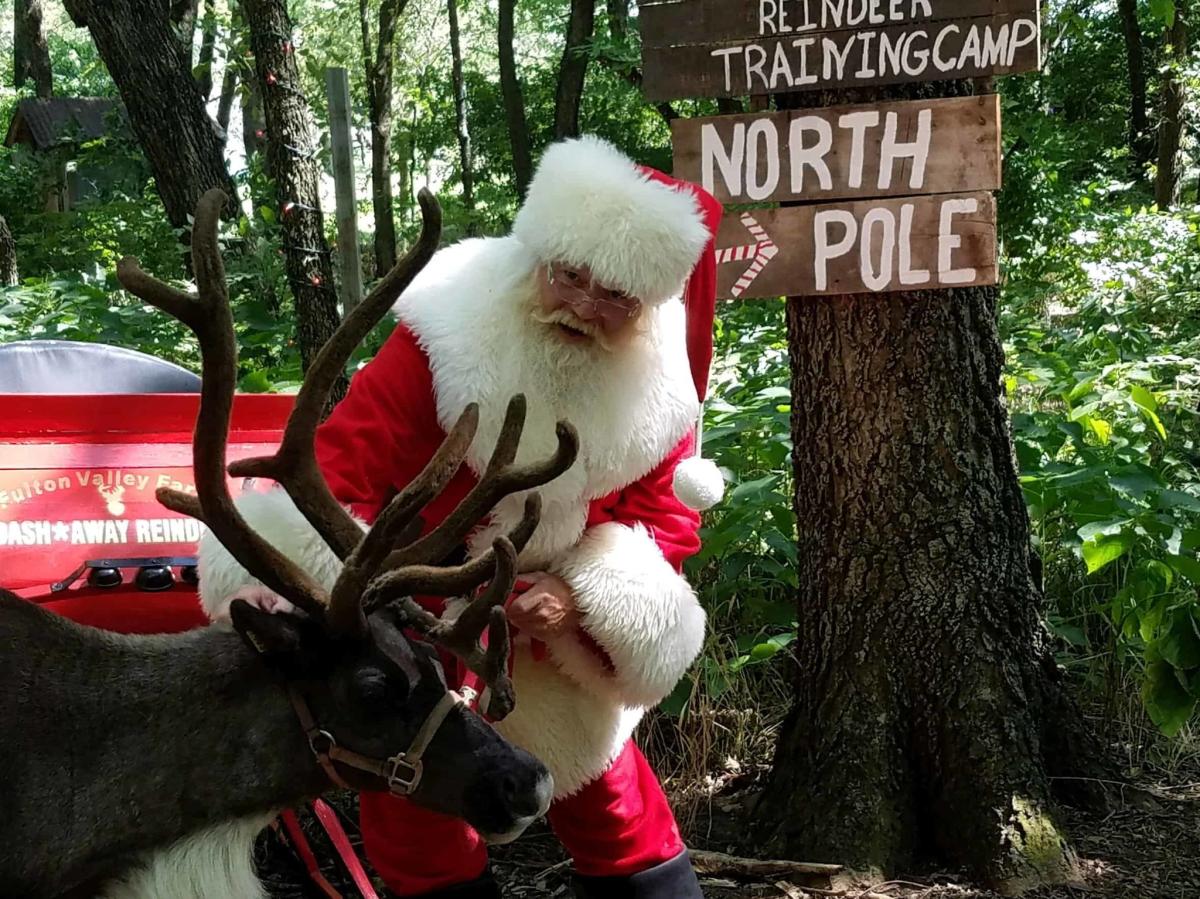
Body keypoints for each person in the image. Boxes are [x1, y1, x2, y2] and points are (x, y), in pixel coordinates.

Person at [200, 134, 726, 898]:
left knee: (615, 804)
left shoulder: (660, 385)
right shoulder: (449, 333)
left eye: (615, 297)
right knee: (418, 808)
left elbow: (662, 514)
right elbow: (343, 464)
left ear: (648, 303)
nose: (584, 307)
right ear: (541, 251)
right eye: (570, 277)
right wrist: (289, 580)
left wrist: (578, 598)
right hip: (419, 614)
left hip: (552, 636)